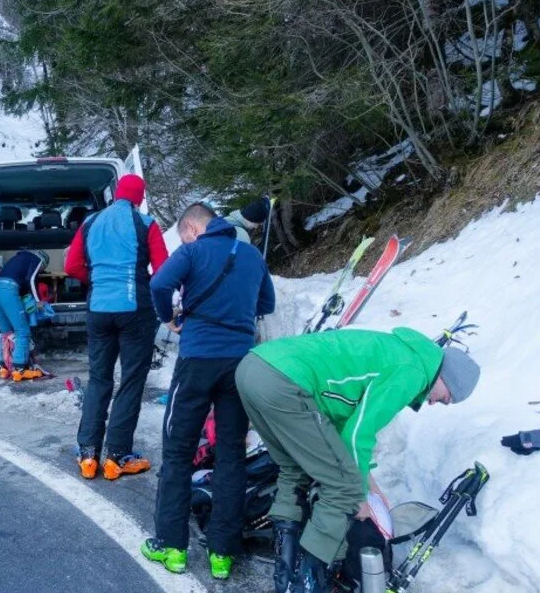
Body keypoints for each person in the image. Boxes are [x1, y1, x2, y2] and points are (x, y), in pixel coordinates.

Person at [235, 329, 481, 593]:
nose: (434, 403)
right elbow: (357, 434)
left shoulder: (399, 353)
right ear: (446, 378)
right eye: (444, 398)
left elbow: (340, 426)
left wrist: (369, 481)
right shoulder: (413, 372)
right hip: (285, 382)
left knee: (295, 470)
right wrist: (359, 494)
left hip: (254, 367)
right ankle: (307, 584)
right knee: (343, 489)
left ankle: (285, 574)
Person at [140, 203, 275, 579]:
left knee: (179, 451)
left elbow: (159, 284)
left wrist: (169, 316)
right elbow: (267, 304)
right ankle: (222, 553)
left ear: (191, 228)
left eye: (183, 234)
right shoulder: (250, 255)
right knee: (231, 454)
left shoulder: (192, 250)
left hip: (198, 360)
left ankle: (171, 547)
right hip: (240, 365)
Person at [65, 174, 169, 480]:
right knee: (132, 380)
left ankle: (87, 453)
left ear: (116, 194)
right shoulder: (145, 224)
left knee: (99, 379)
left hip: (98, 310)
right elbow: (163, 269)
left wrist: (96, 281)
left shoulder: (90, 223)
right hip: (134, 309)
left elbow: (72, 266)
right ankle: (117, 456)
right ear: (139, 197)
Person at [0, 249, 50, 381]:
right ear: (42, 263)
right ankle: (20, 369)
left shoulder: (20, 258)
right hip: (8, 290)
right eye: (41, 269)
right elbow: (31, 279)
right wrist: (38, 301)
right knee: (22, 331)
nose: (39, 271)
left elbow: (22, 284)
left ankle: (5, 367)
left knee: (6, 332)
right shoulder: (36, 260)